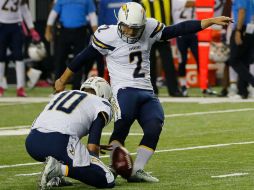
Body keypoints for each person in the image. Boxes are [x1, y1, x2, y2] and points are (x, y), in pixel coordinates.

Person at [54, 2, 232, 182]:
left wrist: (208, 21)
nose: (131, 33)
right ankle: (114, 166)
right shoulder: (107, 35)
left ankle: (136, 170)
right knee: (122, 125)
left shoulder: (149, 27)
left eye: (135, 29)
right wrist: (62, 80)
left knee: (155, 125)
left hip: (146, 90)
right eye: (128, 28)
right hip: (123, 89)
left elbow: (179, 29)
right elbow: (82, 58)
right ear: (120, 22)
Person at [25, 76, 115, 189]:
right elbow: (92, 148)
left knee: (67, 150)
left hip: (32, 142)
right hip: (57, 143)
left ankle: (55, 176)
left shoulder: (63, 94)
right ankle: (59, 169)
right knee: (108, 178)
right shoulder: (101, 103)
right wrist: (93, 166)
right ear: (103, 94)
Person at [45, 0, 98, 90]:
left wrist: (97, 34)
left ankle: (76, 88)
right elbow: (53, 13)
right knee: (60, 59)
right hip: (64, 31)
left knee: (80, 59)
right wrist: (48, 29)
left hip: (80, 32)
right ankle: (58, 88)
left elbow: (92, 16)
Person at [141, 0, 183, 97]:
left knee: (168, 63)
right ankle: (152, 89)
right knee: (150, 63)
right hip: (148, 35)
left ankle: (173, 89)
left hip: (163, 34)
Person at [0, 0, 40, 97]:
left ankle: (20, 87)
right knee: (1, 56)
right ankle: (1, 86)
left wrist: (31, 28)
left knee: (19, 56)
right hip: (2, 24)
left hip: (16, 25)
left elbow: (24, 10)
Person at [228, 0, 254, 99]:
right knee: (244, 60)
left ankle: (251, 82)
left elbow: (242, 11)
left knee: (234, 60)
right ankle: (243, 91)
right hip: (250, 28)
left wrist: (238, 30)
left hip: (242, 27)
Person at [172, 0, 197, 96]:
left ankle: (205, 84)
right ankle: (183, 85)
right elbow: (190, 3)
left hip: (194, 32)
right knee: (182, 60)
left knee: (200, 58)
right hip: (180, 33)